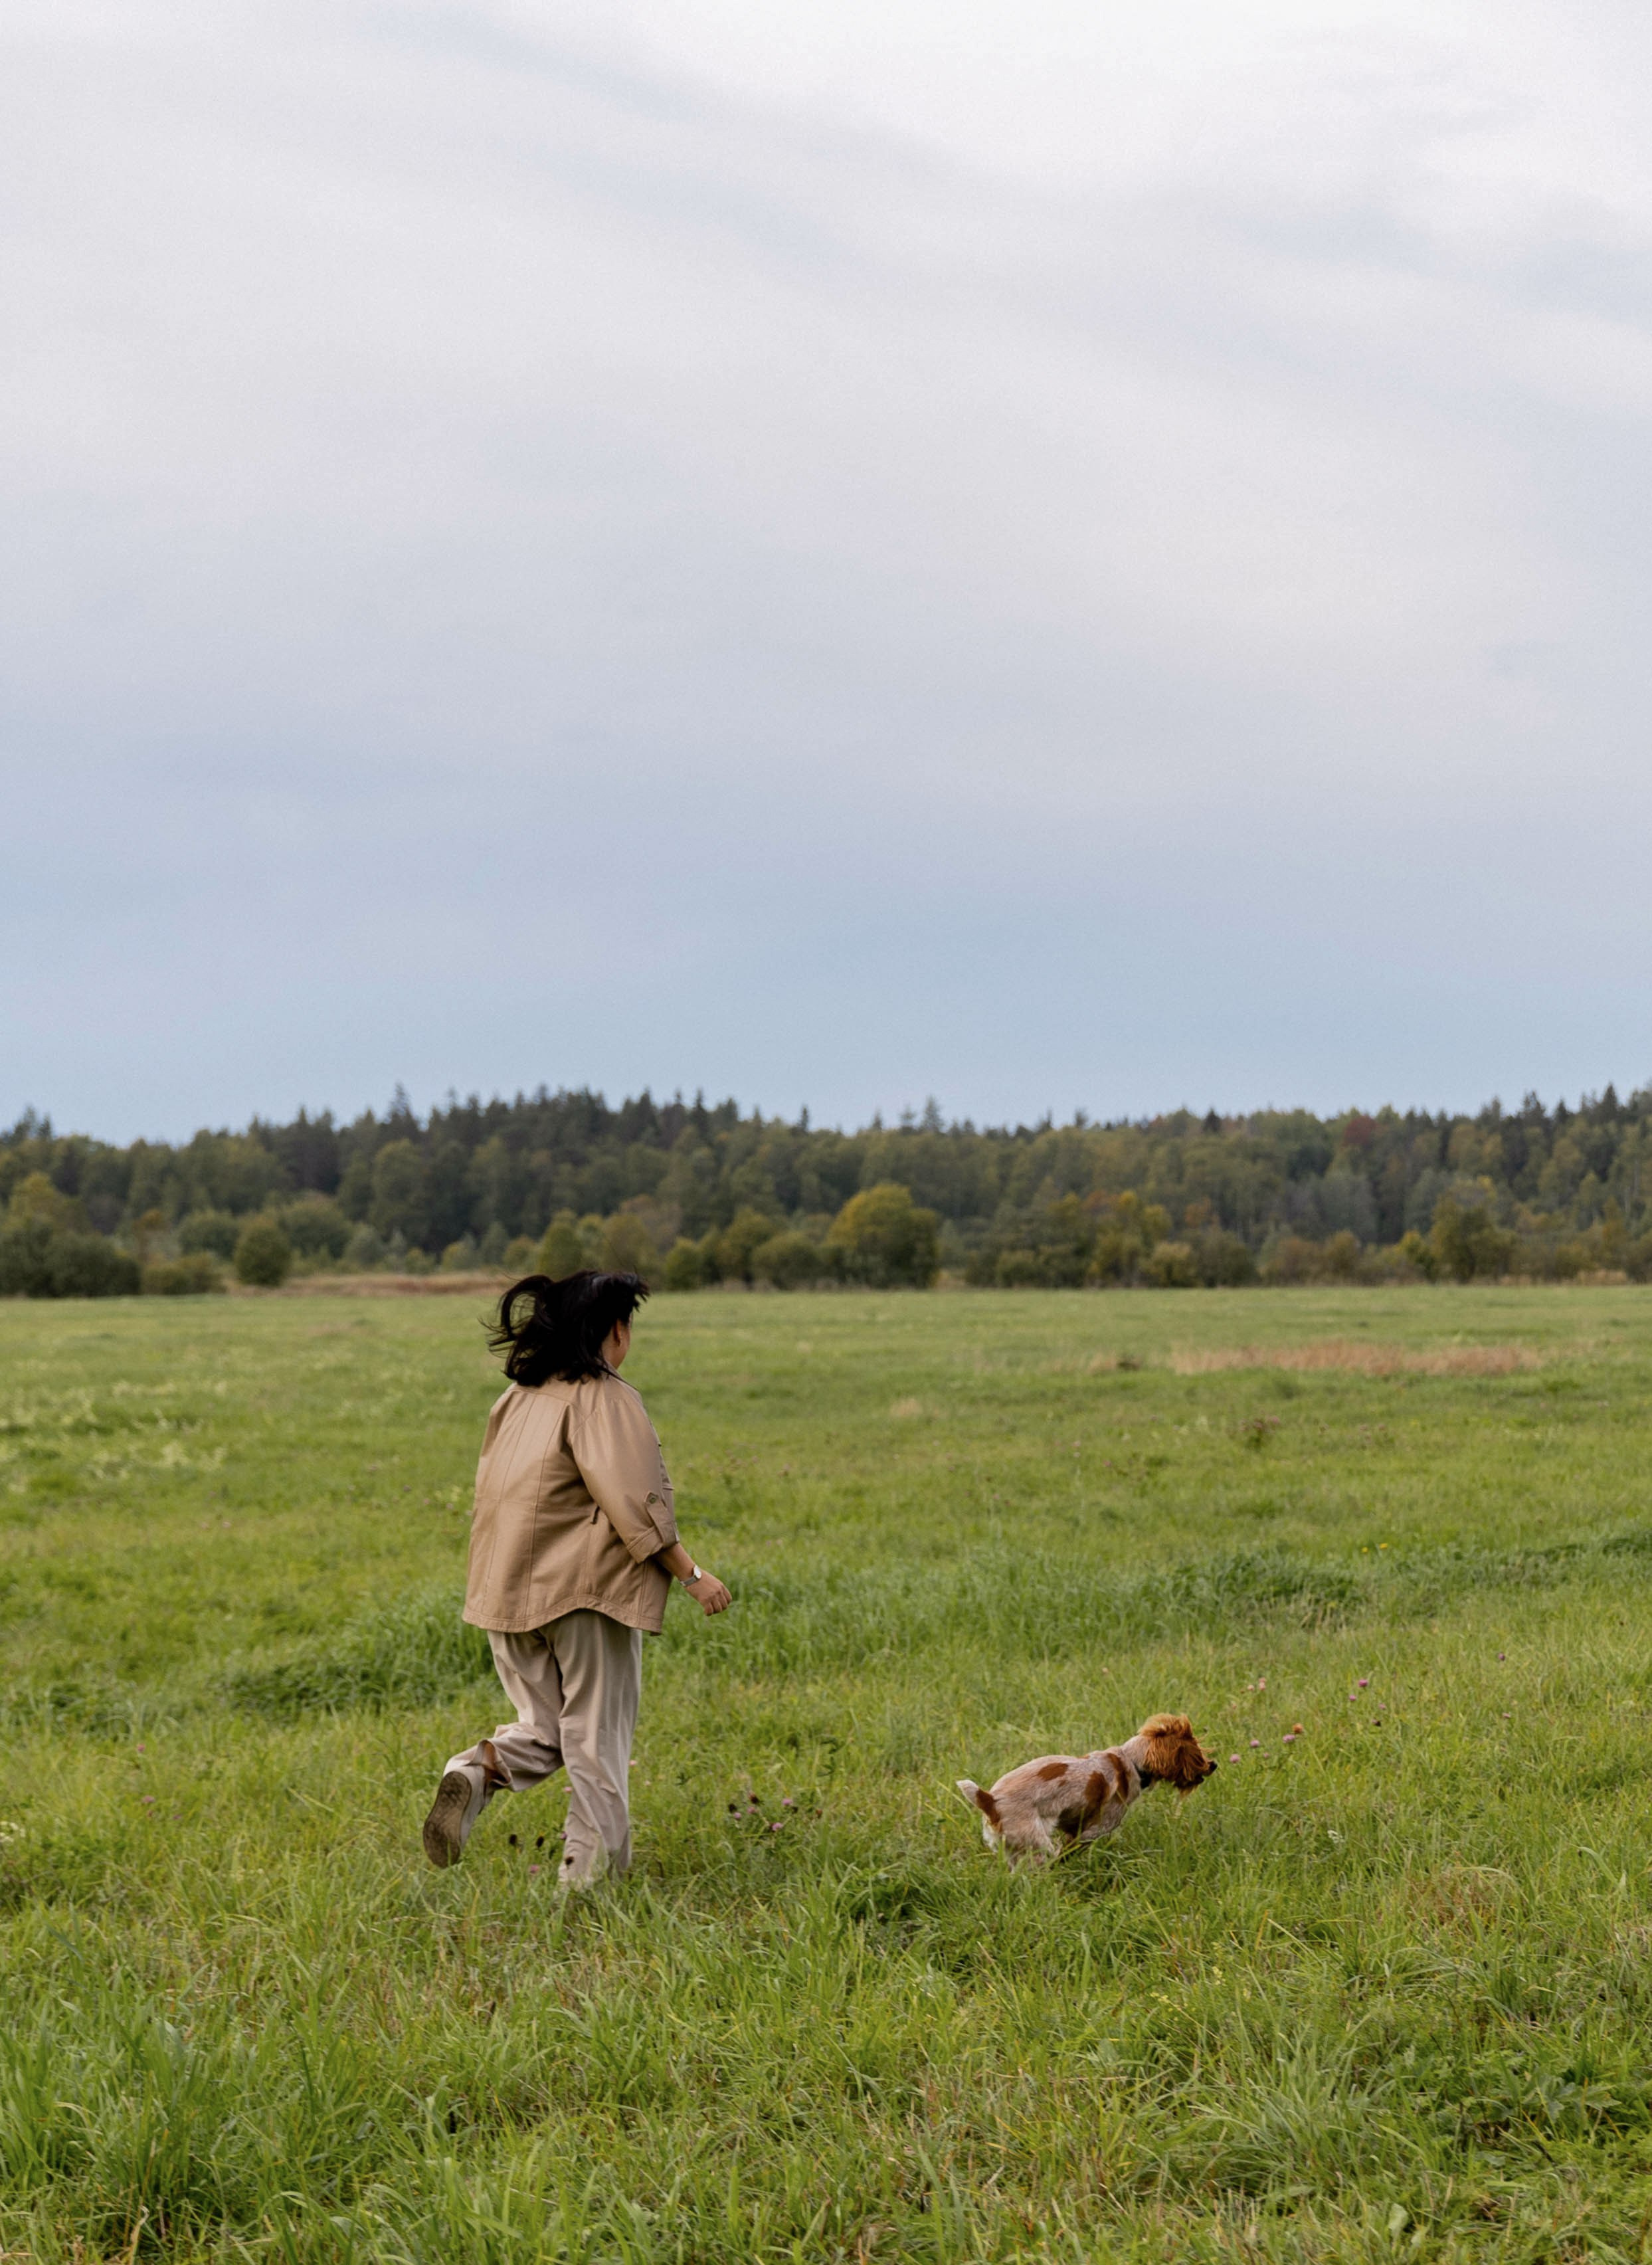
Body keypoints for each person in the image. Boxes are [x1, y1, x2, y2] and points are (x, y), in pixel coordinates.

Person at [421, 1268, 730, 1884]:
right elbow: (633, 1498)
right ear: (614, 1329)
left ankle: (476, 1771)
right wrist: (690, 1572)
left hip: (504, 1591)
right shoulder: (604, 1396)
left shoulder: (517, 1397)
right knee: (597, 1741)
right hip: (586, 1596)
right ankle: (591, 1885)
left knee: (543, 1728)